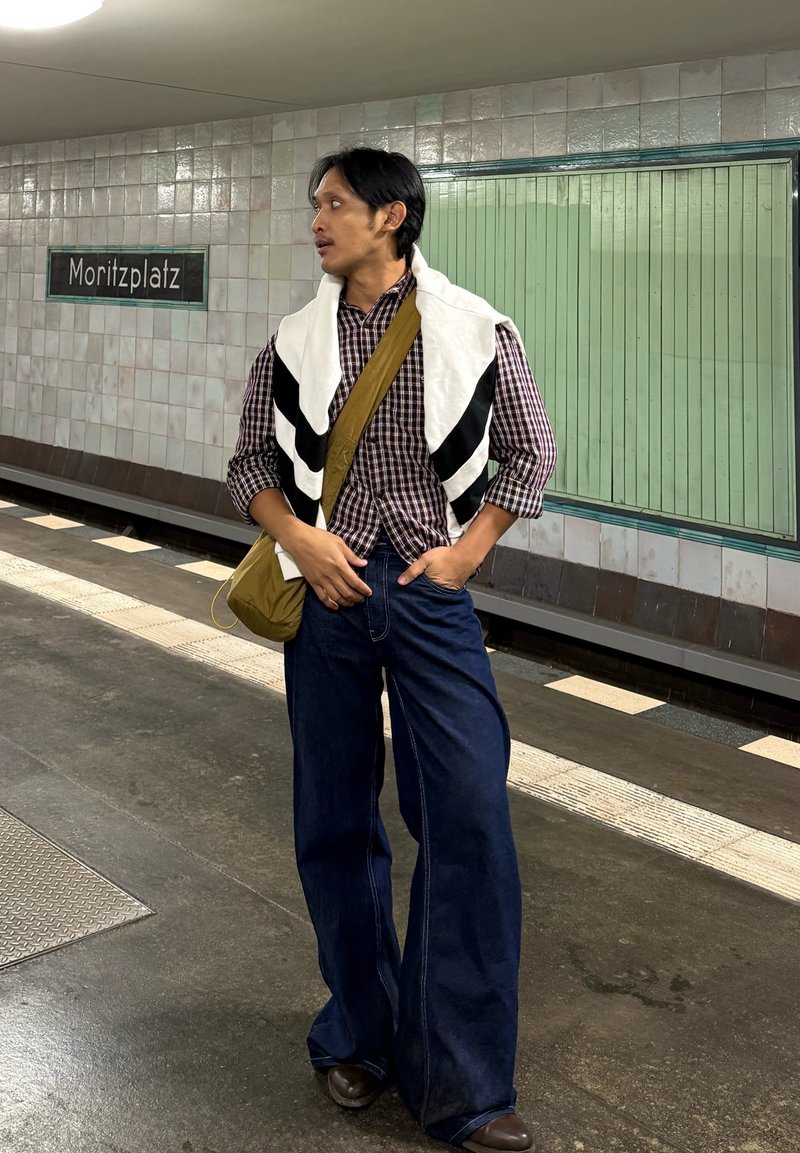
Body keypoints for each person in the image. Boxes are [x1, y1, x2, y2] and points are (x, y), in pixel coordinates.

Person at [227, 147, 556, 1152]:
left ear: (391, 216)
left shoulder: (473, 326)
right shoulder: (291, 338)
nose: (317, 220)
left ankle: (461, 1083)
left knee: (464, 815)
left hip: (425, 594)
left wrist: (466, 554)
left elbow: (530, 450)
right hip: (324, 594)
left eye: (334, 204)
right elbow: (249, 462)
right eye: (315, 205)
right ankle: (359, 1038)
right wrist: (301, 538)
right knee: (332, 820)